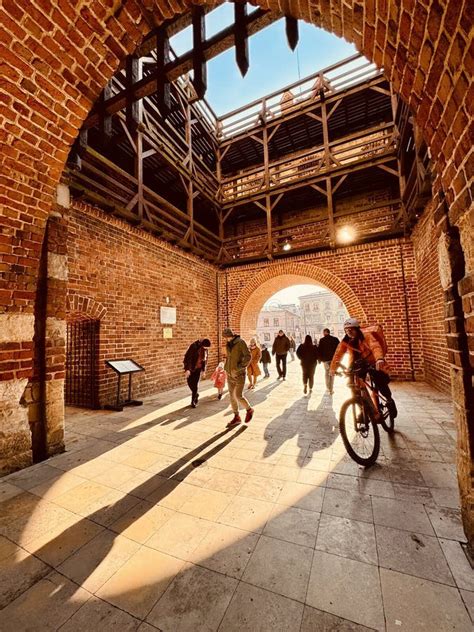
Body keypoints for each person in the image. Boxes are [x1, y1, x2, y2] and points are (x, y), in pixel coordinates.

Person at [330, 318, 397, 418]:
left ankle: (389, 400)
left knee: (379, 380)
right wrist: (333, 368)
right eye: (346, 330)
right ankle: (363, 408)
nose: (349, 332)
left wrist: (379, 359)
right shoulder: (345, 341)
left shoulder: (366, 336)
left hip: (372, 361)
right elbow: (337, 354)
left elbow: (375, 346)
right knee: (353, 385)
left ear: (357, 329)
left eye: (351, 329)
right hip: (357, 363)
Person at [223, 327, 254, 427]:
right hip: (229, 374)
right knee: (232, 397)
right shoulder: (228, 344)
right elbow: (229, 357)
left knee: (238, 396)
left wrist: (239, 367)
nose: (225, 339)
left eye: (226, 337)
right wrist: (226, 367)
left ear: (230, 336)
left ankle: (249, 410)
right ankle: (236, 417)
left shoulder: (241, 342)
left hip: (239, 374)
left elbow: (248, 356)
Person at [183, 338, 211, 408]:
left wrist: (204, 370)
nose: (206, 349)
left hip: (198, 369)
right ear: (202, 345)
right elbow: (188, 358)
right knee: (189, 383)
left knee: (195, 385)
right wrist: (188, 369)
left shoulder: (205, 349)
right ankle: (196, 394)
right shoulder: (194, 346)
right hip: (191, 368)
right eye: (205, 347)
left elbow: (205, 360)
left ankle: (193, 401)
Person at [318, 328, 340, 394]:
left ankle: (328, 388)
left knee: (327, 373)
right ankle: (331, 389)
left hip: (325, 360)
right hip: (333, 359)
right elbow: (339, 348)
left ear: (325, 333)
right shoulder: (335, 339)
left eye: (323, 332)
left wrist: (319, 359)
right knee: (332, 373)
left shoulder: (322, 340)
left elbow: (319, 350)